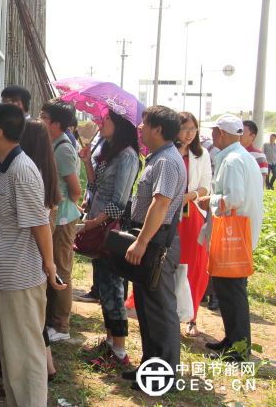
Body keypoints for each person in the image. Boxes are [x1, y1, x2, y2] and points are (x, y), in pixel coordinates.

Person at [0, 104, 65, 407]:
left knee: (26, 351)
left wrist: (50, 266)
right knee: (12, 351)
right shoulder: (4, 166)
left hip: (22, 276)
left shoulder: (22, 170)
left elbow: (40, 225)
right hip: (6, 274)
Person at [122, 106, 187, 389]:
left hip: (157, 241)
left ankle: (163, 376)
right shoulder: (158, 157)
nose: (140, 128)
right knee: (148, 308)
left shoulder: (167, 161)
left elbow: (161, 204)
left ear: (158, 129)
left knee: (160, 309)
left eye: (144, 124)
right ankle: (149, 367)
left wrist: (142, 241)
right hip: (150, 238)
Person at [78, 111, 140, 370]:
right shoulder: (108, 150)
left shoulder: (127, 156)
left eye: (107, 120)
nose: (101, 124)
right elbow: (96, 186)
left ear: (120, 125)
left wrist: (92, 223)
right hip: (99, 226)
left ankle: (119, 351)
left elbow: (119, 203)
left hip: (111, 230)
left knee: (113, 288)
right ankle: (110, 342)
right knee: (104, 287)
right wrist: (87, 162)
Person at [203, 114, 264, 361]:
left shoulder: (232, 160)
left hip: (234, 237)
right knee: (228, 291)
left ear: (222, 133)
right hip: (240, 235)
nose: (213, 136)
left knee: (232, 292)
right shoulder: (241, 156)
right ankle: (232, 340)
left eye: (214, 132)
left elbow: (234, 199)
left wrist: (211, 200)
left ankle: (238, 349)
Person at [19, 119, 64, 381]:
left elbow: (38, 223)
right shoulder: (45, 169)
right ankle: (48, 367)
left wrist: (49, 263)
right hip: (38, 253)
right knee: (36, 317)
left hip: (30, 254)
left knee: (31, 319)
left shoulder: (27, 172)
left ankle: (40, 371)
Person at [39, 99, 82, 343]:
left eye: (44, 117)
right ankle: (52, 320)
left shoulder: (63, 148)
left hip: (64, 216)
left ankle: (62, 325)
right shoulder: (52, 143)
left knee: (61, 267)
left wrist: (66, 203)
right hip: (56, 213)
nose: (40, 120)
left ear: (56, 124)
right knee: (52, 265)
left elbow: (75, 190)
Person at [175, 112, 212, 337]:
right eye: (185, 128)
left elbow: (206, 187)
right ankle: (169, 311)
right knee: (169, 263)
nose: (189, 134)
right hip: (169, 214)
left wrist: (189, 196)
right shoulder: (168, 151)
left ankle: (192, 316)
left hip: (191, 216)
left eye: (193, 129)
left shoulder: (201, 154)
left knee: (194, 266)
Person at [241, 120, 268, 188]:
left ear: (252, 136)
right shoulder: (232, 153)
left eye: (242, 133)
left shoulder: (259, 156)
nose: (239, 135)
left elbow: (261, 184)